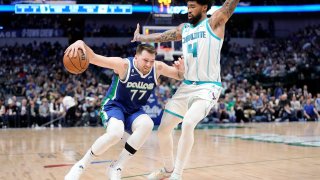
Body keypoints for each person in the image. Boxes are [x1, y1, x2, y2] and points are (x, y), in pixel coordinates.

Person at [131, 0, 240, 179]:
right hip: (187, 86)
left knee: (188, 123)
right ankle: (168, 170)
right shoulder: (185, 29)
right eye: (188, 7)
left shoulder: (214, 22)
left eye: (193, 7)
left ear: (204, 7)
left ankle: (178, 174)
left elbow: (229, 5)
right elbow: (162, 36)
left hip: (208, 87)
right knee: (163, 130)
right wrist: (142, 38)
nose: (188, 10)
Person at [64, 41, 184, 180]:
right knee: (115, 133)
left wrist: (181, 70)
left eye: (151, 61)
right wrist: (81, 43)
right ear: (136, 57)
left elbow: (180, 76)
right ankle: (81, 165)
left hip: (134, 110)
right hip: (114, 106)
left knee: (148, 124)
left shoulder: (157, 67)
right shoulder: (123, 65)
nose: (148, 65)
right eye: (145, 60)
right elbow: (94, 58)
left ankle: (117, 166)